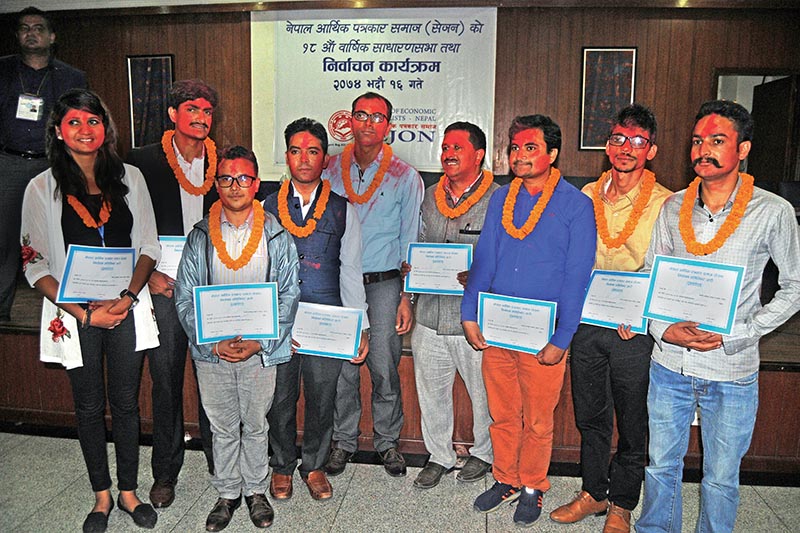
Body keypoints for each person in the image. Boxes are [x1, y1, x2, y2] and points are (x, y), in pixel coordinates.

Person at [635, 100, 800, 533]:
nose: (702, 149)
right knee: (659, 467)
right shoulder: (672, 207)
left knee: (722, 479)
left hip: (731, 368)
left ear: (743, 149)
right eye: (697, 141)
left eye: (717, 140)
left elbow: (794, 288)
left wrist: (740, 334)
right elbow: (651, 277)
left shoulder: (772, 211)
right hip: (670, 363)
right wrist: (662, 328)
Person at [20, 88, 159, 533]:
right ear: (58, 131)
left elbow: (149, 246)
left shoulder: (131, 178)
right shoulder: (41, 187)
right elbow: (34, 262)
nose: (85, 129)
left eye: (93, 121)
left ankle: (128, 491)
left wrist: (129, 297)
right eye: (74, 121)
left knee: (125, 402)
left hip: (124, 308)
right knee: (88, 405)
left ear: (106, 128)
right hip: (74, 313)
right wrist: (83, 313)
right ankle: (101, 496)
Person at [461, 115, 596, 527]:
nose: (519, 155)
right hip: (499, 324)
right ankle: (506, 478)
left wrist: (563, 336)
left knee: (538, 419)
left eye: (530, 148)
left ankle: (534, 484)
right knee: (502, 412)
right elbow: (484, 257)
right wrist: (469, 312)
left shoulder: (576, 204)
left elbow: (578, 276)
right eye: (515, 147)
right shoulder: (502, 198)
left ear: (553, 154)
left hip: (543, 333)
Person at [549, 104, 671, 533]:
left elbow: (667, 271)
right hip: (587, 323)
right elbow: (570, 259)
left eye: (638, 141)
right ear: (607, 145)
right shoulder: (585, 197)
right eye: (619, 138)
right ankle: (594, 493)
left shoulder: (666, 204)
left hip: (634, 328)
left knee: (633, 419)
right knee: (591, 415)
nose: (626, 148)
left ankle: (622, 503)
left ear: (651, 151)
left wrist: (641, 313)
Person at [174, 145, 300, 532]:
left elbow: (289, 293)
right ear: (216, 184)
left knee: (257, 422)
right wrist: (209, 342)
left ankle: (257, 490)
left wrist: (261, 341)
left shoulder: (276, 235)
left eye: (243, 178)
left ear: (256, 183)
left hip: (260, 350)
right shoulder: (199, 237)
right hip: (213, 350)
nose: (234, 186)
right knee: (223, 425)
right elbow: (184, 294)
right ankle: (228, 492)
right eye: (226, 179)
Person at [264, 117, 369, 501]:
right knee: (280, 397)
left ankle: (315, 465)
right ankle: (281, 465)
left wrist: (362, 328)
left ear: (325, 159)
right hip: (279, 320)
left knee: (323, 396)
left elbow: (352, 271)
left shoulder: (343, 210)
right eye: (295, 151)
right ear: (287, 157)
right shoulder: (266, 207)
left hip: (328, 320)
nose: (303, 159)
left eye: (312, 151)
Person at [126, 78, 219, 508]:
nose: (201, 118)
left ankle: (222, 461)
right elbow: (122, 227)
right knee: (164, 381)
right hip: (162, 287)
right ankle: (165, 471)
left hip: (209, 291)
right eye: (192, 110)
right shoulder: (141, 162)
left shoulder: (223, 163)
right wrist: (144, 278)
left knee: (213, 377)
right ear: (173, 115)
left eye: (207, 111)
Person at [322, 91, 424, 477]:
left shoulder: (404, 176)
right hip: (338, 282)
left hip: (384, 284)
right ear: (349, 120)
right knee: (344, 366)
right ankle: (343, 441)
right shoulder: (329, 170)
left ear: (388, 126)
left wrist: (406, 297)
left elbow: (409, 240)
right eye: (360, 115)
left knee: (383, 365)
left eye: (377, 117)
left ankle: (387, 442)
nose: (367, 123)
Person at [405, 122, 497, 489]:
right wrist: (411, 271)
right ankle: (439, 455)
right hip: (429, 314)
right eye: (444, 147)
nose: (449, 153)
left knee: (483, 394)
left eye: (458, 147)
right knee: (431, 392)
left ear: (479, 155)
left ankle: (484, 454)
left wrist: (481, 274)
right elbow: (420, 240)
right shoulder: (430, 195)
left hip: (473, 319)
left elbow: (507, 254)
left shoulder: (500, 198)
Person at [1, 6, 87, 323]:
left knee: (61, 235)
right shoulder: (4, 71)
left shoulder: (72, 77)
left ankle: (72, 310)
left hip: (55, 167)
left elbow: (81, 125)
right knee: (6, 240)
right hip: (8, 164)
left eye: (38, 27)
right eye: (24, 28)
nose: (31, 32)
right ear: (17, 36)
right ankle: (1, 314)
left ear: (52, 36)